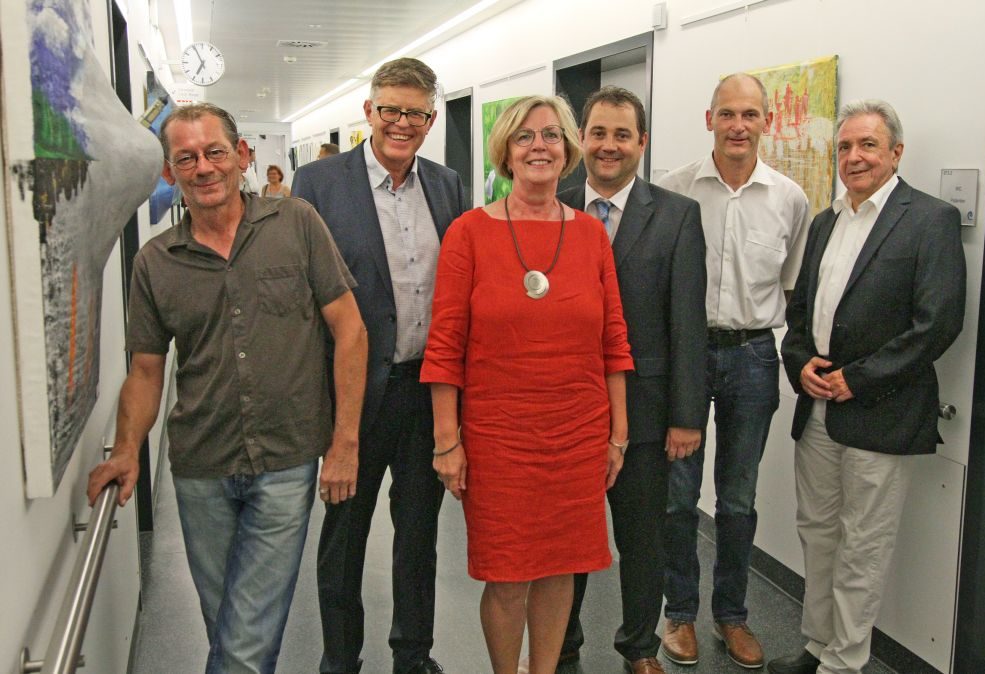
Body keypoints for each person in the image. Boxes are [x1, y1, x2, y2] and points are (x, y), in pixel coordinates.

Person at [86, 102, 368, 673]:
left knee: (241, 648)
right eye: (186, 158)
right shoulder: (154, 263)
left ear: (241, 157)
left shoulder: (297, 224)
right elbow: (145, 371)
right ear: (169, 173)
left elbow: (350, 330)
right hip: (201, 464)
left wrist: (345, 442)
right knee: (231, 631)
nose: (204, 167)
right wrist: (124, 450)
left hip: (286, 460)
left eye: (215, 152)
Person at [422, 94, 634, 674]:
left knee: (562, 568)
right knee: (508, 574)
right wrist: (447, 440)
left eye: (550, 136)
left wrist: (618, 433)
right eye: (525, 136)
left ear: (566, 150)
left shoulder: (591, 236)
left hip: (577, 434)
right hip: (498, 437)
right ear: (506, 152)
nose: (539, 146)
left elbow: (613, 338)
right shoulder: (468, 234)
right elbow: (445, 347)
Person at [772, 100, 966, 674]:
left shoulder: (928, 220)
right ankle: (817, 644)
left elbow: (938, 323)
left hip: (879, 410)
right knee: (818, 533)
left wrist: (857, 380)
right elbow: (801, 310)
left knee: (863, 544)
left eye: (868, 146)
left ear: (896, 153)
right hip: (819, 410)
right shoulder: (827, 221)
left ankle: (844, 661)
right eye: (845, 148)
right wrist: (801, 361)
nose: (854, 158)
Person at [291, 57, 466, 674]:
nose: (400, 122)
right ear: (368, 112)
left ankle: (412, 655)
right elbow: (302, 299)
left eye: (414, 113)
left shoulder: (446, 185)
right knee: (345, 535)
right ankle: (341, 660)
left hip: (425, 391)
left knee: (419, 535)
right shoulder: (317, 185)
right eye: (389, 109)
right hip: (355, 395)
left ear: (430, 120)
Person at [657, 73, 809, 669]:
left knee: (739, 499)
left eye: (749, 114)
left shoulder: (790, 200)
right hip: (685, 354)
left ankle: (732, 616)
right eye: (727, 114)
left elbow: (793, 288)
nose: (738, 125)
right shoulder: (674, 191)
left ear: (765, 121)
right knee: (678, 495)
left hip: (752, 355)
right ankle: (679, 614)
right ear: (709, 119)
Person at [555, 86, 706, 674]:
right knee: (568, 541)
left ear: (642, 142)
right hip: (566, 410)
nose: (609, 146)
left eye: (622, 134)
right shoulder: (553, 203)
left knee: (643, 540)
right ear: (581, 140)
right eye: (598, 133)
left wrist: (687, 416)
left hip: (645, 413)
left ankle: (639, 646)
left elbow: (688, 321)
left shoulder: (676, 215)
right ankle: (561, 644)